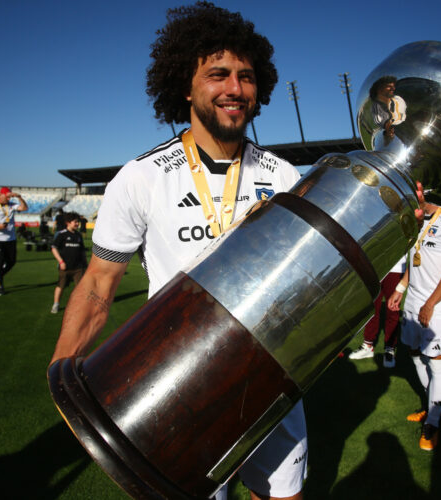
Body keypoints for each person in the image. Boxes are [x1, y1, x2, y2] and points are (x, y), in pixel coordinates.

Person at [50, 3, 307, 499]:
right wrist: (63, 375)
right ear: (185, 87)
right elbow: (100, 284)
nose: (235, 88)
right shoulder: (142, 177)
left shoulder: (284, 178)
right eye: (218, 74)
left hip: (271, 377)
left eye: (246, 76)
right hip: (178, 384)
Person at [387, 199, 441, 451]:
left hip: (438, 302)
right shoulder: (417, 218)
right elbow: (416, 258)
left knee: (437, 360)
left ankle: (432, 423)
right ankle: (434, 406)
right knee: (413, 352)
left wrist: (431, 303)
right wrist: (400, 289)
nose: (413, 194)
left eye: (418, 189)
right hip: (413, 299)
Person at [348, 256, 406, 367]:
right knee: (373, 307)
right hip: (375, 265)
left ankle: (390, 348)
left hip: (396, 268)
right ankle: (368, 345)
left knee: (392, 309)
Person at [50, 212, 87, 314]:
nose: (77, 224)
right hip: (65, 267)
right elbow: (53, 248)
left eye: (78, 222)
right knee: (61, 286)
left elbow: (82, 251)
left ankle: (78, 306)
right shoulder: (62, 234)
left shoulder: (78, 235)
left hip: (78, 267)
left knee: (80, 288)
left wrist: (85, 264)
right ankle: (56, 304)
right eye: (75, 222)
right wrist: (61, 261)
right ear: (68, 222)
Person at [370, 75, 406, 140]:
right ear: (379, 89)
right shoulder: (376, 108)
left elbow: (403, 117)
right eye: (389, 86)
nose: (393, 89)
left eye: (393, 86)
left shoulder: (398, 100)